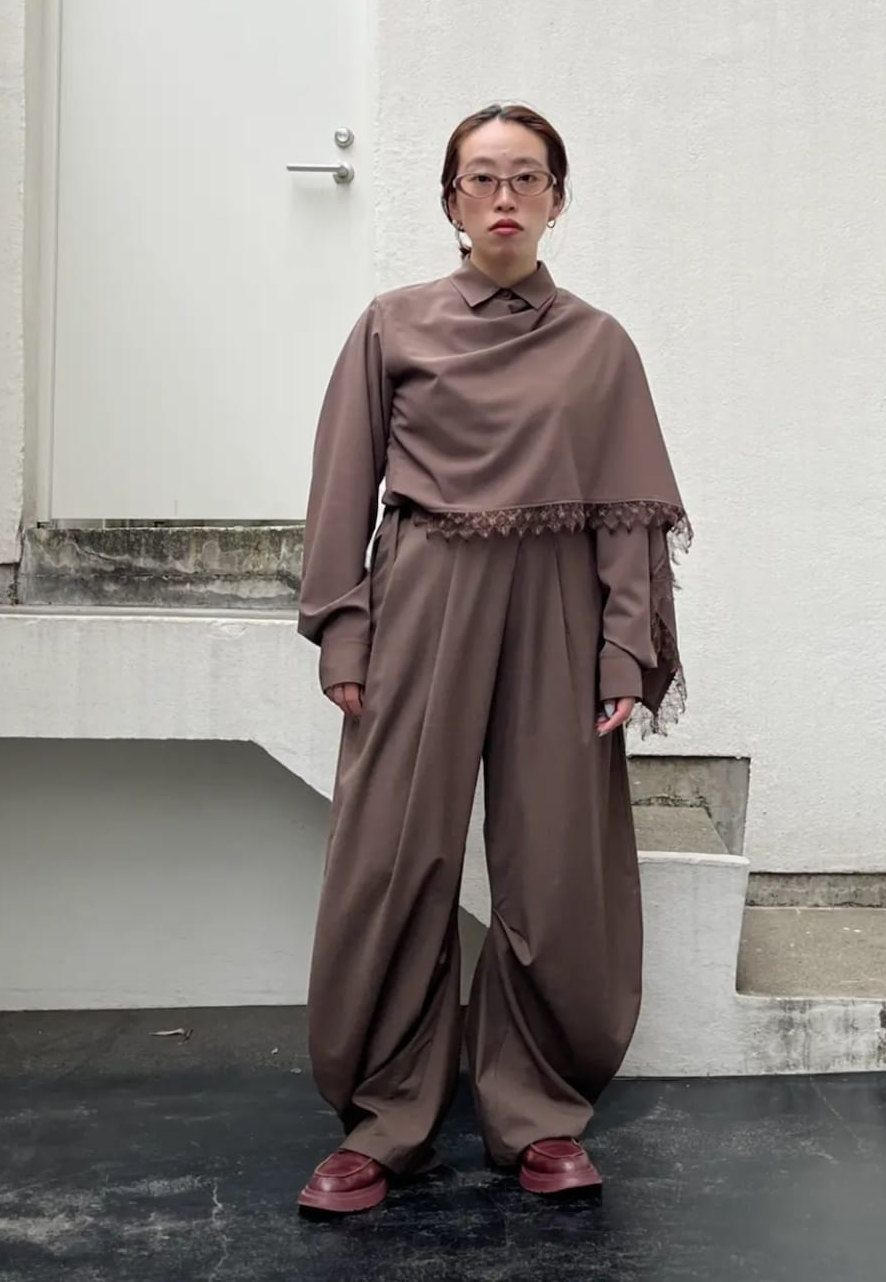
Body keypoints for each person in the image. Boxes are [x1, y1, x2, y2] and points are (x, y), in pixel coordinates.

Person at [294, 102, 692, 1213]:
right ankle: (384, 1120)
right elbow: (342, 486)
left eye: (527, 177)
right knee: (393, 860)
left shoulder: (598, 344)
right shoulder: (393, 325)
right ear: (451, 201)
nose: (504, 197)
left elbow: (627, 513)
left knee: (555, 869)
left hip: (558, 607)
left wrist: (624, 651)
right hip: (423, 596)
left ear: (558, 200)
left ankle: (540, 1115)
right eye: (482, 178)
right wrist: (342, 625)